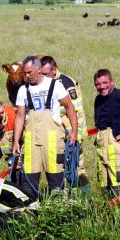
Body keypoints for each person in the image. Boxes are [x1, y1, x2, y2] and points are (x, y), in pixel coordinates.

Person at [12, 55, 78, 199]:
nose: (27, 76)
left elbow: (70, 108)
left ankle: (58, 210)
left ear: (39, 69)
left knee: (55, 177)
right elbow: (20, 117)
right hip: (31, 140)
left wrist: (74, 131)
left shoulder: (55, 85)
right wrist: (16, 141)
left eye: (30, 72)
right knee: (28, 177)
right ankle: (29, 211)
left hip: (52, 139)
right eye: (25, 73)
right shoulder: (23, 90)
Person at [40, 55, 90, 189]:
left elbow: (77, 112)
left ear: (54, 70)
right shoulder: (47, 83)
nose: (43, 77)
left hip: (71, 134)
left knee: (77, 168)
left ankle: (84, 199)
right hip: (58, 134)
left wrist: (76, 136)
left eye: (45, 74)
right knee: (60, 168)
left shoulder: (66, 83)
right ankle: (66, 200)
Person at [93, 69, 120, 197]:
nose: (102, 87)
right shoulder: (98, 100)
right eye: (98, 84)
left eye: (105, 82)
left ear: (112, 82)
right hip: (103, 149)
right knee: (106, 188)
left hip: (118, 148)